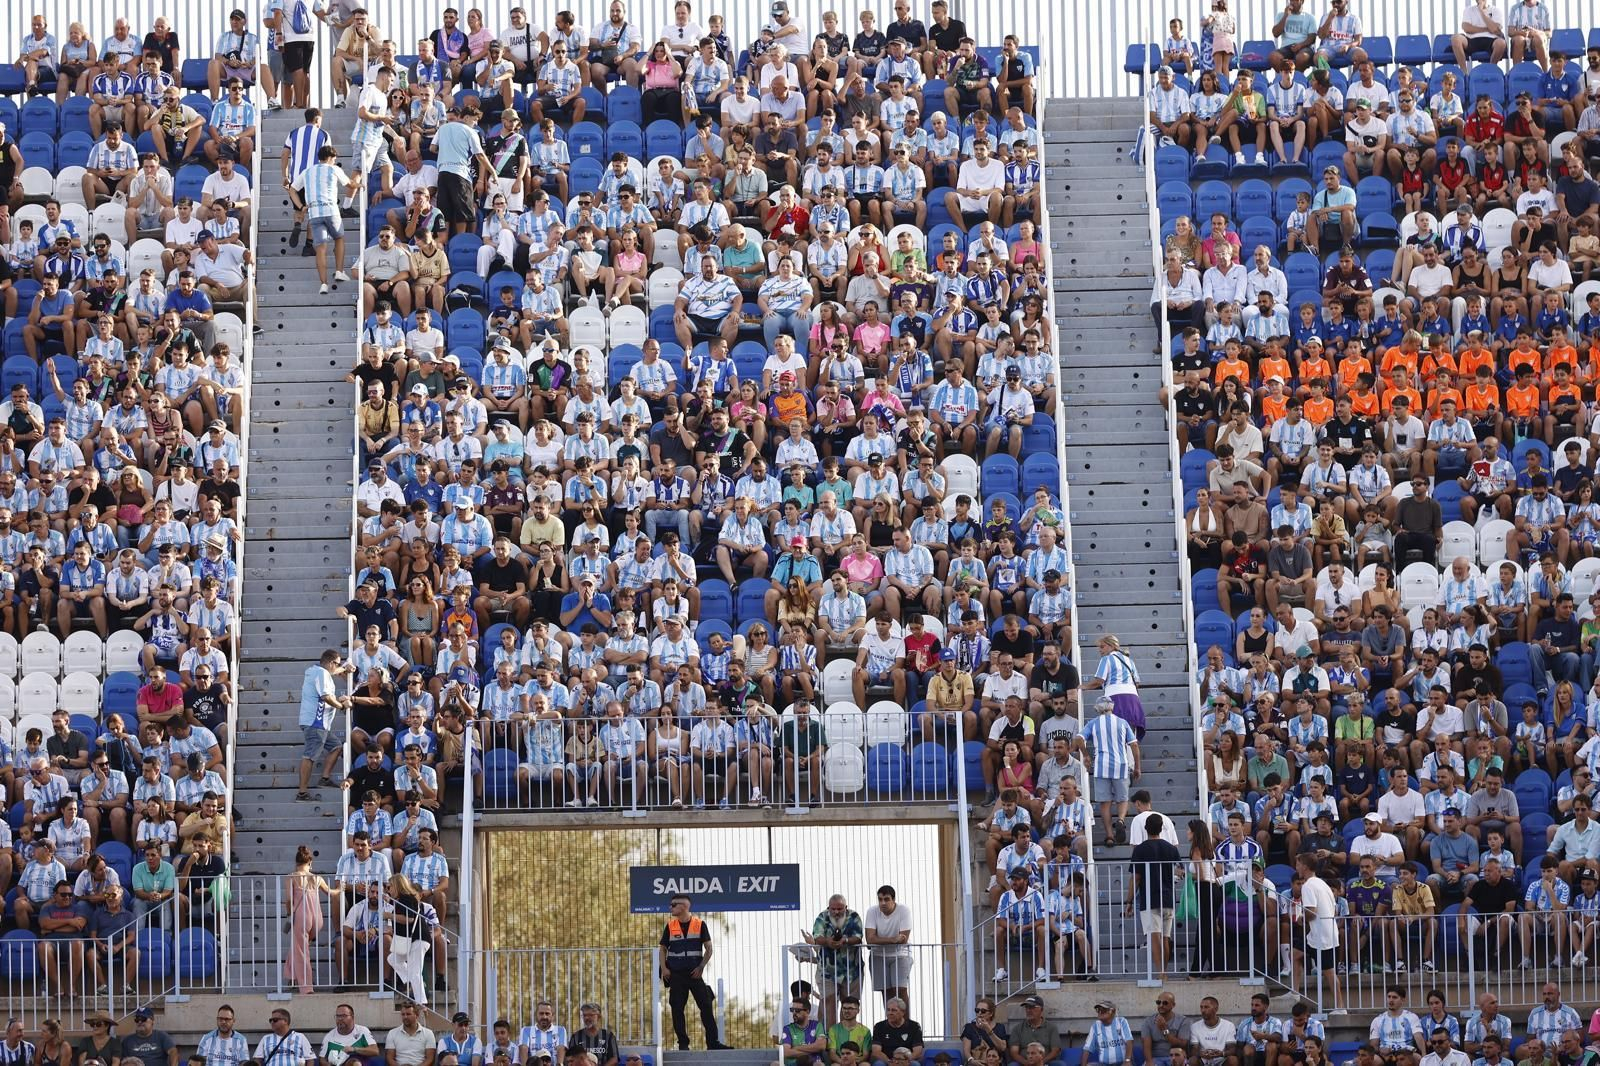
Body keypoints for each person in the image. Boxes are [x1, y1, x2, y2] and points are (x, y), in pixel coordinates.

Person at [659, 893, 729, 1052]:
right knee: (677, 1009)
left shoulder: (699, 924)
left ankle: (713, 1043)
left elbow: (709, 949)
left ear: (683, 906)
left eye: (673, 905)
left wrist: (701, 967)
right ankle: (683, 1044)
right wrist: (664, 968)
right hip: (676, 975)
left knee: (706, 1006)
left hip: (694, 974)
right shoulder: (670, 926)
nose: (670, 908)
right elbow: (662, 949)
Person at [1128, 813, 1183, 979]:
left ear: (1146, 828)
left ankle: (1161, 972)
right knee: (1165, 937)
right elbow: (1180, 871)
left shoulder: (1140, 849)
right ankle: (1163, 971)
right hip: (1168, 897)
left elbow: (1136, 877)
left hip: (1149, 898)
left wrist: (1129, 900)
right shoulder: (1171, 848)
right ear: (1161, 828)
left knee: (1154, 937)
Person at [299, 648, 355, 800]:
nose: (338, 668)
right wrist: (341, 705)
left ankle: (324, 778)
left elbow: (331, 673)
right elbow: (326, 697)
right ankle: (302, 792)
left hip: (318, 723)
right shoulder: (322, 673)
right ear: (331, 663)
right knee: (310, 756)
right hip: (315, 722)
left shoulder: (314, 670)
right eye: (337, 664)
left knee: (336, 746)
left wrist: (344, 667)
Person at [284, 844, 332, 995]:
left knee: (301, 951)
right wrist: (341, 889)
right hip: (317, 918)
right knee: (298, 947)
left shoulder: (292, 877)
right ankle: (291, 976)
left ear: (296, 863)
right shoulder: (317, 878)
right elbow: (331, 892)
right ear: (310, 863)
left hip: (301, 917)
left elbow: (288, 900)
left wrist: (289, 914)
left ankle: (306, 987)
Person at [863, 884, 912, 1011]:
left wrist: (881, 940)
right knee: (886, 992)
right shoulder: (872, 911)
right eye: (880, 899)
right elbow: (870, 939)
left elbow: (903, 939)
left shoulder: (903, 910)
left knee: (900, 990)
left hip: (900, 954)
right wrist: (892, 939)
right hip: (878, 955)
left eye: (886, 899)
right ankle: (890, 1021)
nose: (883, 903)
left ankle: (906, 1024)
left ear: (893, 900)